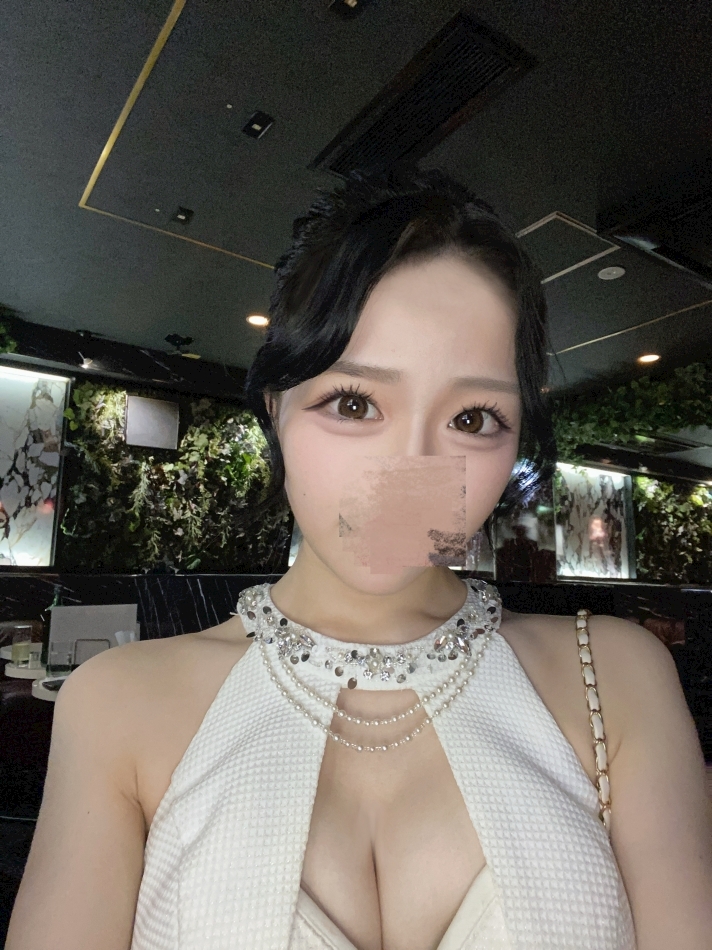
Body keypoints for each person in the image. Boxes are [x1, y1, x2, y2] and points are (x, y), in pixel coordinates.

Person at [7, 169, 712, 950]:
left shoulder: (617, 679)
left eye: (473, 418)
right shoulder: (116, 705)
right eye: (354, 404)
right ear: (276, 410)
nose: (409, 472)